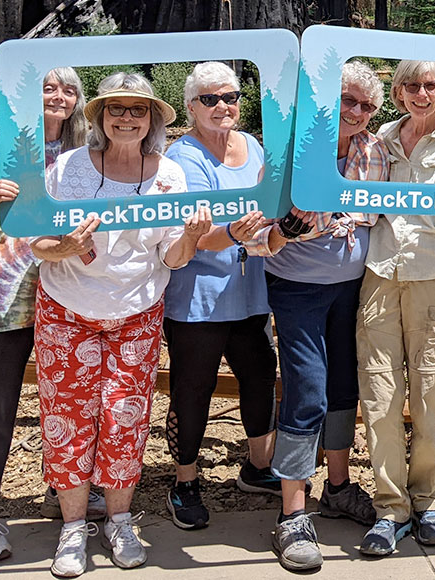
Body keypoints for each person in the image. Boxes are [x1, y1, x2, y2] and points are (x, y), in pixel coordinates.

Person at [30, 72, 212, 577]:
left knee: (125, 417)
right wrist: (64, 246)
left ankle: (119, 519)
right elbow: (36, 243)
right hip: (68, 309)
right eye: (117, 109)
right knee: (68, 418)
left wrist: (193, 239)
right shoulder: (67, 169)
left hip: (136, 312)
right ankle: (72, 528)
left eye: (138, 110)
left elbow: (171, 257)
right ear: (100, 118)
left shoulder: (169, 175)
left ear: (152, 119)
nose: (127, 118)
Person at [0, 67, 105, 564]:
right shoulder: (6, 155)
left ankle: (68, 492)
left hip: (78, 293)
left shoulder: (88, 157)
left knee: (75, 396)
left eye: (68, 90)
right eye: (49, 87)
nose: (59, 97)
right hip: (14, 291)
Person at [247, 59, 388, 571]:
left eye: (366, 105)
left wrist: (347, 216)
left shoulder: (372, 149)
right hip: (297, 288)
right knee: (306, 388)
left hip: (352, 288)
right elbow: (257, 234)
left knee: (342, 386)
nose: (355, 112)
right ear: (326, 101)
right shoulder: (289, 153)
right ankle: (291, 514)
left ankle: (338, 487)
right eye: (347, 100)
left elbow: (375, 209)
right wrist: (288, 226)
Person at [357, 60, 435, 557]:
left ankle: (428, 503)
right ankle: (390, 509)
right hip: (381, 275)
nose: (421, 93)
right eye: (411, 85)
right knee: (380, 397)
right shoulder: (381, 137)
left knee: (431, 398)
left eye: (431, 85)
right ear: (399, 92)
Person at [161, 61, 279, 533]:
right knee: (193, 388)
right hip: (198, 296)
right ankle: (185, 482)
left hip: (251, 291)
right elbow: (197, 232)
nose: (221, 106)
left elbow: (271, 202)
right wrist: (234, 230)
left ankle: (256, 468)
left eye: (229, 97)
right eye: (209, 99)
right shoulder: (182, 158)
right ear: (191, 107)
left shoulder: (252, 147)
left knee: (258, 376)